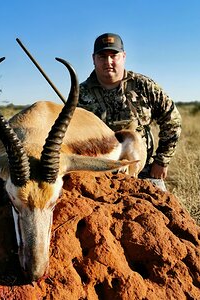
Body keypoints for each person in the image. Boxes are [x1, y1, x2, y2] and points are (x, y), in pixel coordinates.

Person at [78, 33, 182, 191]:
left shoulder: (143, 86)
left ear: (123, 56)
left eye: (114, 56)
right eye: (102, 56)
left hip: (144, 172)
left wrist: (161, 161)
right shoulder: (79, 94)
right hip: (99, 174)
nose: (108, 62)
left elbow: (172, 119)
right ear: (93, 59)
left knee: (162, 210)